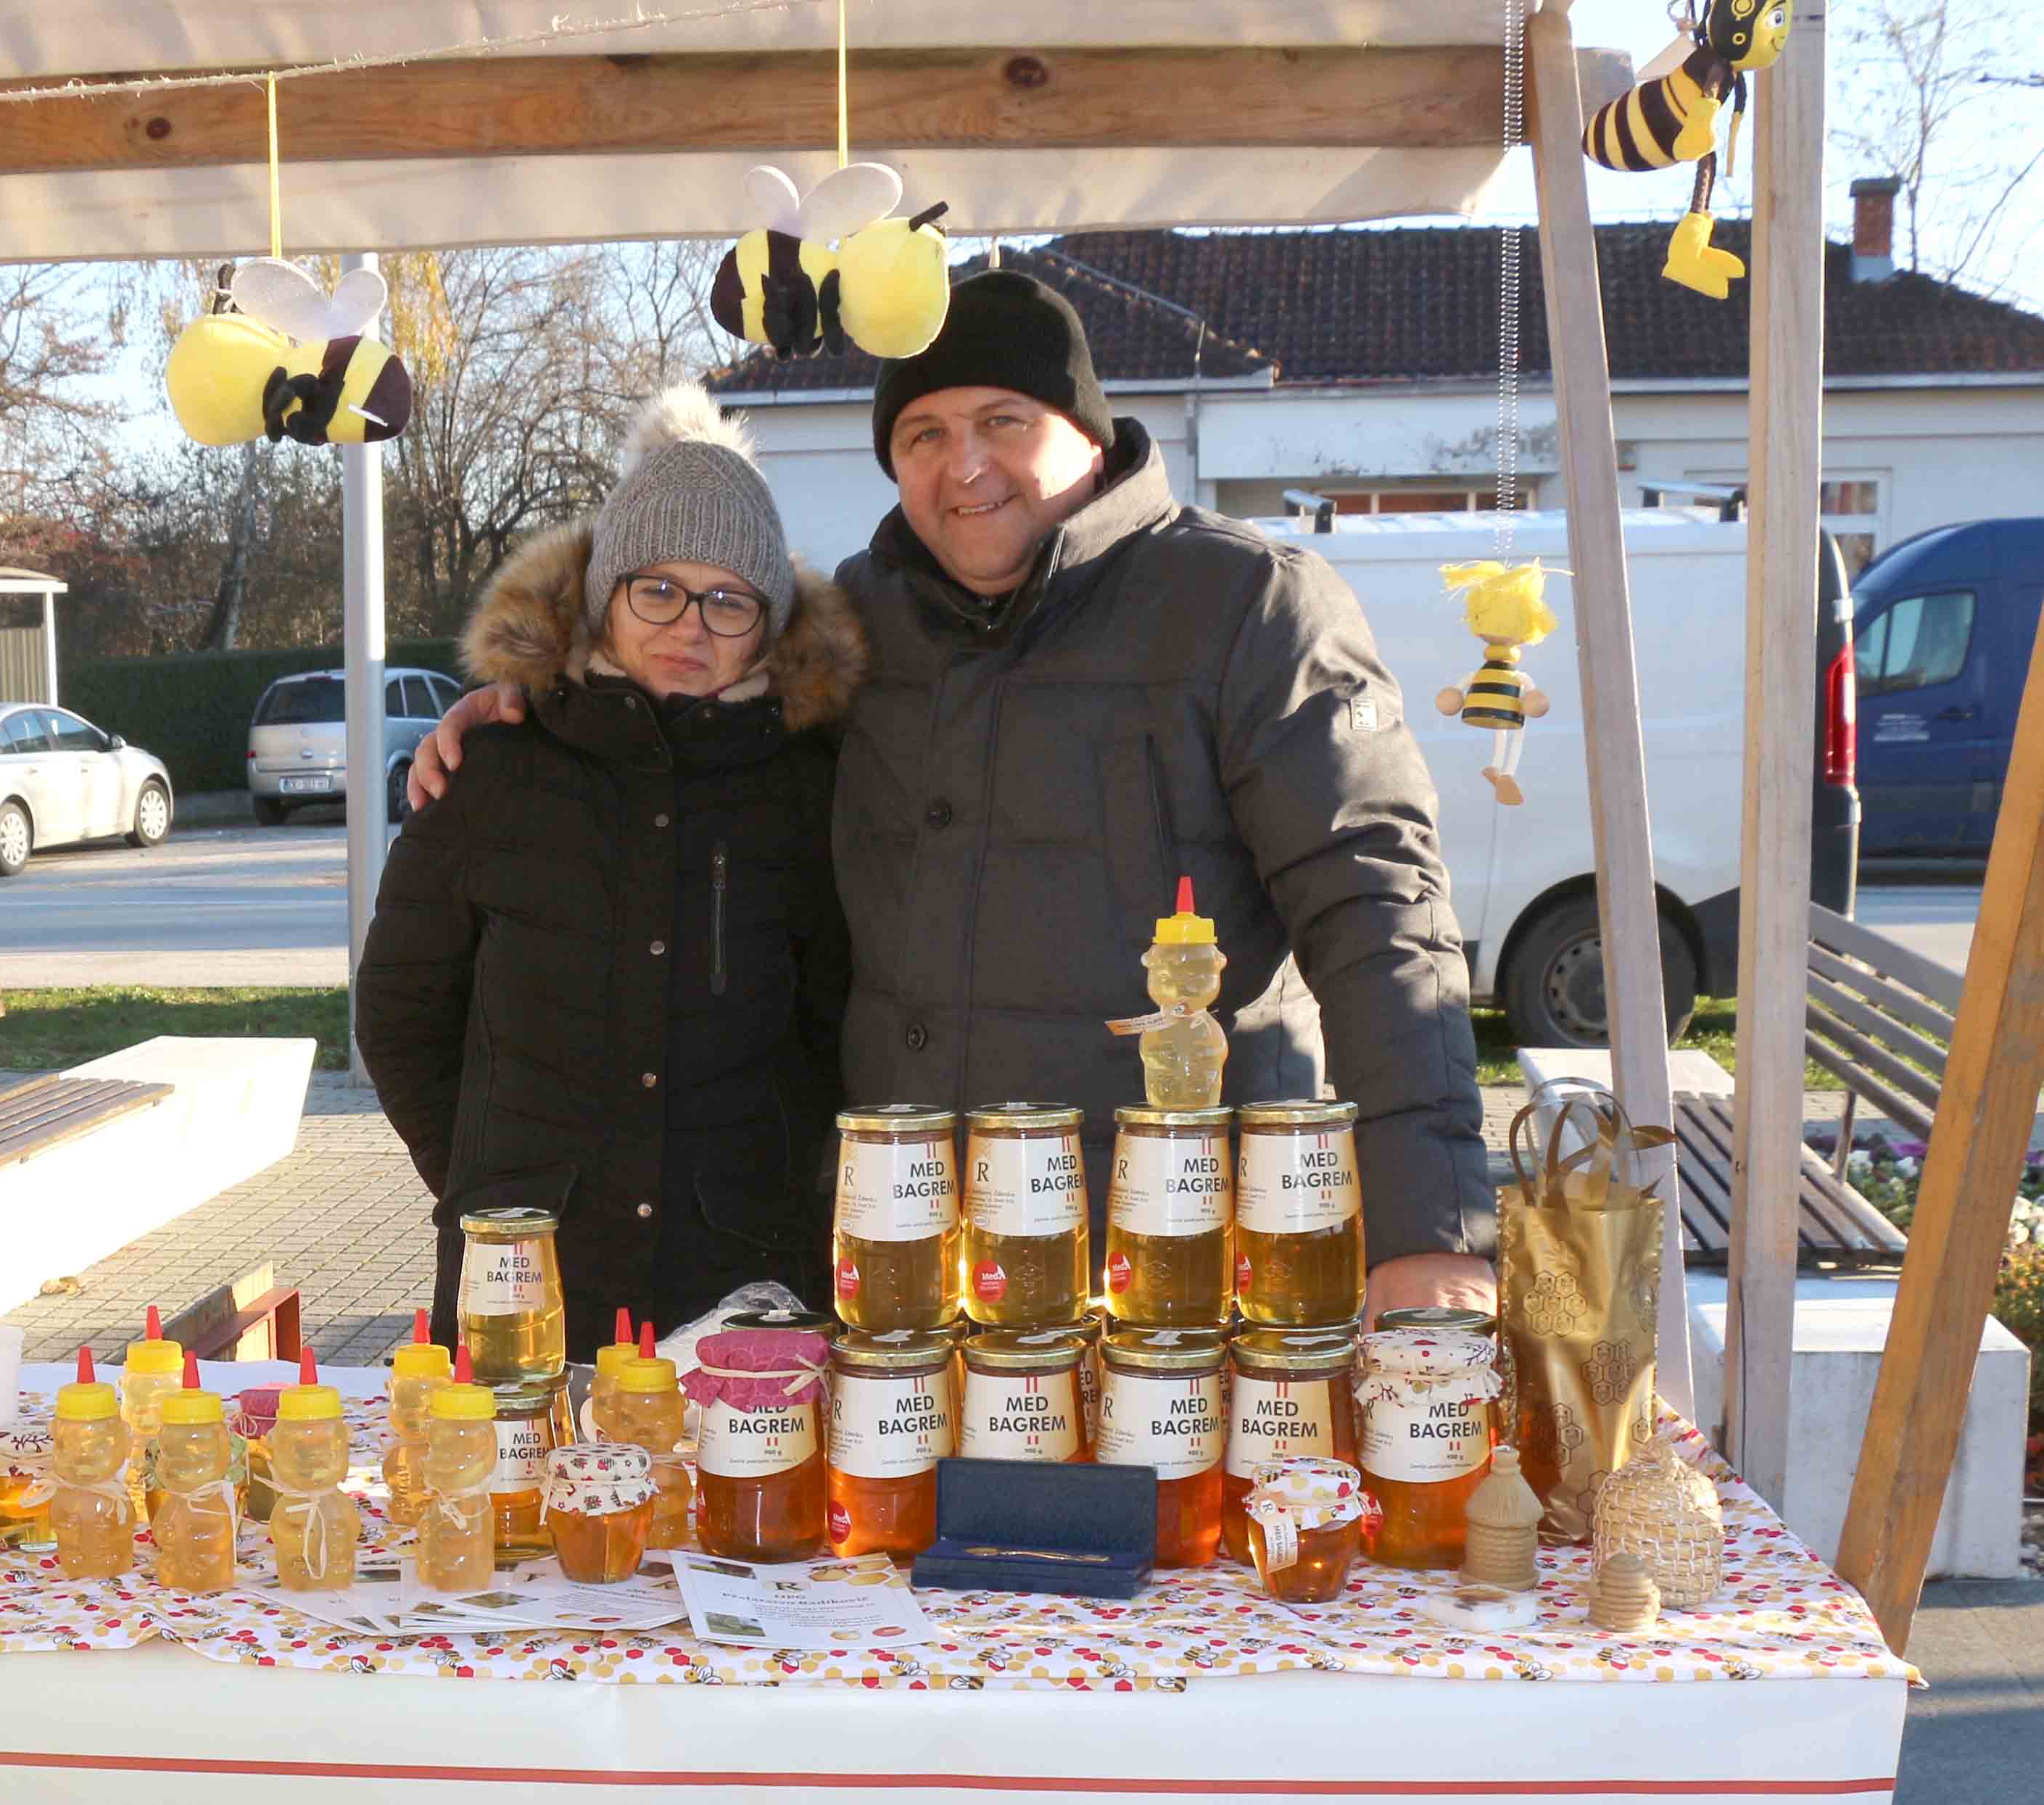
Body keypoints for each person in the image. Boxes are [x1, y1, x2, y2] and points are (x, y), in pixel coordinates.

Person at [411, 273, 1496, 1319]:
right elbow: (670, 709)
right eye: (922, 434)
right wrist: (527, 714)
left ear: (1086, 429)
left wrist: (1426, 1226)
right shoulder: (852, 630)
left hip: (1179, 1243)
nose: (962, 464)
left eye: (1003, 420)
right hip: (907, 1261)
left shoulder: (1248, 608)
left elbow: (1378, 912)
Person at [355, 385, 864, 1356]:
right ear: (604, 595)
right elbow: (399, 1011)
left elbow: (834, 1027)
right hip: (527, 1284)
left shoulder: (807, 788)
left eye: (727, 600)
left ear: (768, 622)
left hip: (740, 1283)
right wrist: (486, 1187)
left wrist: (783, 1193)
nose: (689, 625)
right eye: (656, 588)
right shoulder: (493, 768)